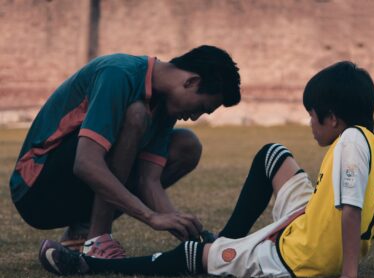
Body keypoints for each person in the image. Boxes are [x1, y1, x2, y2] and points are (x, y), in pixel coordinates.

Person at [39, 61, 374, 278]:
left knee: (197, 258)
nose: (309, 123)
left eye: (312, 115)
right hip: (309, 218)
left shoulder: (349, 145)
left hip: (301, 254)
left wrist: (348, 276)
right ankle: (230, 238)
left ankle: (89, 267)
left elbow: (352, 210)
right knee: (272, 154)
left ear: (333, 119)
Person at [11, 45, 241, 259]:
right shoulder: (118, 73)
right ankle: (97, 239)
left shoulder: (165, 106)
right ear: (191, 81)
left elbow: (148, 181)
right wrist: (150, 217)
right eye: (201, 108)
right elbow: (85, 163)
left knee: (187, 145)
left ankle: (81, 232)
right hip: (36, 190)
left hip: (71, 195)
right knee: (137, 113)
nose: (194, 117)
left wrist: (186, 231)